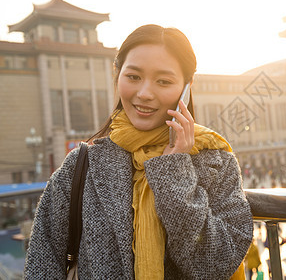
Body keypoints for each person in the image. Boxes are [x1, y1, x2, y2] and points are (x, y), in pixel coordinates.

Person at [24, 24, 253, 279]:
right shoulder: (82, 165)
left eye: (163, 81)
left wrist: (175, 174)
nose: (144, 94)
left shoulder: (216, 162)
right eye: (133, 77)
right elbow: (42, 263)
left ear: (186, 88)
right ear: (117, 75)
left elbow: (219, 263)